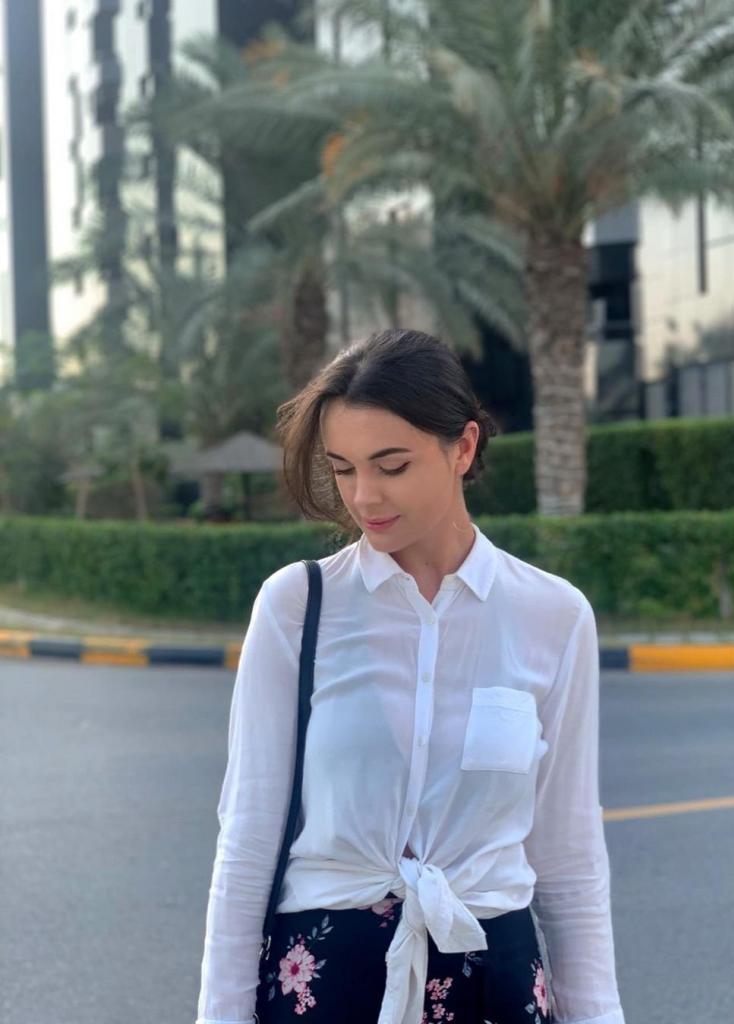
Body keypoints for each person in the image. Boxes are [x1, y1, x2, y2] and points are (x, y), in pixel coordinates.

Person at [195, 328, 625, 1024]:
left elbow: (569, 857)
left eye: (391, 465)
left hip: (494, 981)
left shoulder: (554, 616)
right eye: (343, 469)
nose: (364, 496)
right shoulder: (297, 606)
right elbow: (246, 839)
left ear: (464, 448)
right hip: (327, 981)